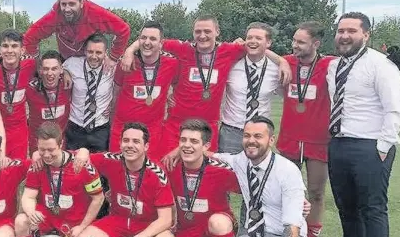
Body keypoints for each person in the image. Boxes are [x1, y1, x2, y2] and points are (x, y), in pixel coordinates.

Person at [320, 12, 400, 237]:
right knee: (346, 204)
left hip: (370, 146)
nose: (344, 36)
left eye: (351, 31)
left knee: (373, 209)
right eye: (340, 30)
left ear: (366, 34)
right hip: (340, 142)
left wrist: (382, 147)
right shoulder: (334, 66)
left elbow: (394, 108)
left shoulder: (381, 65)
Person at [122, 14, 291, 155]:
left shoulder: (229, 50)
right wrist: (130, 50)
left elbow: (256, 47)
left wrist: (281, 60)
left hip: (207, 127)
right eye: (198, 31)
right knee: (169, 168)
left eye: (207, 31)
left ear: (217, 31)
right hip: (177, 124)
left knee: (207, 173)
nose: (202, 35)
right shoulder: (183, 48)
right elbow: (151, 41)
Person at [211, 116, 311, 237]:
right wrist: (182, 150)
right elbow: (212, 157)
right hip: (257, 235)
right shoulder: (241, 160)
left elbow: (293, 227)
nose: (251, 140)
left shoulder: (288, 171)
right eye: (247, 135)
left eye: (258, 136)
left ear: (271, 140)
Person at [11, 122, 105, 237]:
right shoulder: (37, 165)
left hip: (72, 224)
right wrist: (31, 211)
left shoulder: (81, 165)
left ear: (61, 145)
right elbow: (28, 196)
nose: (46, 155)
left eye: (51, 150)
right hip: (47, 218)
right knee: (21, 221)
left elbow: (98, 198)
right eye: (42, 149)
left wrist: (82, 226)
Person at [75, 122, 176, 237]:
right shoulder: (112, 160)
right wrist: (83, 150)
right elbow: (76, 157)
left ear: (146, 146)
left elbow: (165, 219)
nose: (130, 145)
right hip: (118, 220)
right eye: (126, 140)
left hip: (146, 223)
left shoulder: (157, 173)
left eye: (136, 142)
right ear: (120, 143)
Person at [158, 119, 239, 237]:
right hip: (188, 231)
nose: (187, 146)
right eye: (183, 140)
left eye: (194, 141)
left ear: (206, 146)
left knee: (218, 222)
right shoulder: (170, 167)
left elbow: (252, 189)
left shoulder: (221, 170)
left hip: (217, 226)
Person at [278, 21, 337, 237]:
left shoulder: (329, 64)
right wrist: (281, 60)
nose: (295, 46)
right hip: (289, 137)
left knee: (315, 192)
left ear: (316, 43)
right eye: (294, 40)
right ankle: (283, 236)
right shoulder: (288, 61)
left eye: (301, 42)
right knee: (284, 191)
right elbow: (266, 52)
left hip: (318, 139)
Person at [110, 21, 179, 161]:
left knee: (148, 174)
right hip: (122, 129)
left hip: (152, 131)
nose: (147, 42)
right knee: (118, 173)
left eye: (153, 39)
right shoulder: (126, 62)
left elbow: (179, 82)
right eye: (143, 38)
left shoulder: (172, 63)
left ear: (161, 43)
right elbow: (115, 94)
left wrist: (173, 95)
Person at [218, 22, 282, 154]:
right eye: (250, 38)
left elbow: (287, 96)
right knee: (228, 173)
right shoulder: (231, 64)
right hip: (231, 132)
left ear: (268, 42)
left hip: (260, 132)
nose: (253, 41)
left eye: (258, 38)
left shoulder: (277, 70)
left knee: (257, 173)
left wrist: (283, 62)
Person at [0, 29, 37, 160]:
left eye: (14, 46)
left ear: (22, 50)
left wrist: (65, 73)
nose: (9, 50)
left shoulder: (31, 63)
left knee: (15, 170)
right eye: (5, 46)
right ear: (0, 49)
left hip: (18, 130)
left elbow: (53, 65)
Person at [23, 0, 130, 67]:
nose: (67, 9)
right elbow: (29, 37)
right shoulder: (55, 15)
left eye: (72, 4)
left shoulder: (96, 13)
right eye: (63, 4)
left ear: (82, 2)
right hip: (68, 62)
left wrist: (113, 57)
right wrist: (37, 62)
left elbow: (124, 30)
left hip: (93, 60)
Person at [63, 33, 115, 152]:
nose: (94, 56)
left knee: (99, 168)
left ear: (105, 53)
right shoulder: (72, 63)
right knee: (73, 168)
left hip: (100, 128)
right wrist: (65, 72)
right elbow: (58, 67)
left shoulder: (113, 67)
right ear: (85, 51)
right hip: (75, 127)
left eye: (99, 53)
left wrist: (113, 103)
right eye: (90, 52)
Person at [26, 50, 72, 156]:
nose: (50, 73)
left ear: (61, 70)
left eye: (54, 69)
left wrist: (67, 72)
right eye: (46, 69)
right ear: (40, 70)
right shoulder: (30, 87)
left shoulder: (67, 85)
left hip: (61, 144)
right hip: (38, 146)